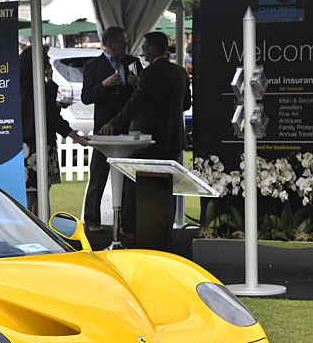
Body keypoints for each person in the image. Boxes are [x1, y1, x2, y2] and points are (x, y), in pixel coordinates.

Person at [100, 31, 191, 240]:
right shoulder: (180, 72)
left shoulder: (149, 74)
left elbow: (135, 104)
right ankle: (163, 227)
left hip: (148, 139)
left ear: (151, 49)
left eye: (143, 48)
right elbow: (186, 104)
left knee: (135, 182)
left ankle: (131, 229)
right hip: (174, 138)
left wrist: (113, 123)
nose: (142, 52)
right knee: (166, 186)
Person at [80, 26, 142, 233]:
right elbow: (86, 97)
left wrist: (137, 83)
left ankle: (125, 223)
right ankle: (92, 220)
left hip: (127, 126)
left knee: (127, 176)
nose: (126, 45)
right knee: (98, 175)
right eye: (123, 42)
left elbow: (141, 95)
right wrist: (104, 85)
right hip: (103, 128)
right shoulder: (93, 65)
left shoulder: (133, 62)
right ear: (110, 45)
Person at [20, 46, 89, 215]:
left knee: (29, 197)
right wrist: (76, 137)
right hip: (41, 144)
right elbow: (53, 118)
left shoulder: (17, 87)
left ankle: (29, 231)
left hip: (23, 146)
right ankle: (43, 233)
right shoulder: (43, 88)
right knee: (42, 196)